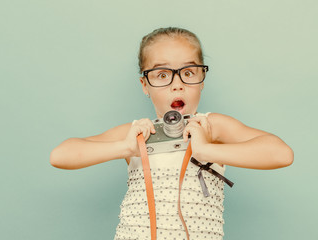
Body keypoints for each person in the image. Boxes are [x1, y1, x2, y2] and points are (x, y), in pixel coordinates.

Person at [50, 27, 294, 240]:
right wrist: (125, 148)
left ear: (202, 79)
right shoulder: (138, 133)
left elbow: (281, 154)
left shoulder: (211, 127)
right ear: (145, 85)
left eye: (188, 73)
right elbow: (61, 155)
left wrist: (207, 149)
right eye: (162, 75)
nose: (177, 84)